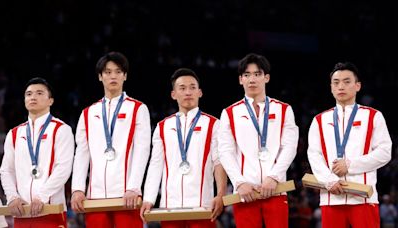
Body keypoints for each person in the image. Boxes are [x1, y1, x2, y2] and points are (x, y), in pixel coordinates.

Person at [70, 51, 151, 227]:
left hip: (127, 195)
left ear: (125, 76)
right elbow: (82, 153)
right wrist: (77, 189)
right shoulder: (88, 113)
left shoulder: (138, 108)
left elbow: (142, 150)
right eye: (107, 72)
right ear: (100, 77)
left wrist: (134, 187)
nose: (113, 76)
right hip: (95, 196)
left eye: (118, 71)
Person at [218, 53, 299, 228]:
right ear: (240, 80)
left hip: (276, 189)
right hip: (245, 192)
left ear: (266, 77)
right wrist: (239, 182)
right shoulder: (230, 113)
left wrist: (273, 177)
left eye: (257, 74)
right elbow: (225, 152)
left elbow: (289, 147)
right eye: (247, 75)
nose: (252, 79)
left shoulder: (284, 110)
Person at [307, 61, 392, 228]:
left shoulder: (373, 116)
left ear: (357, 86)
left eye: (347, 82)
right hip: (331, 198)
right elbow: (314, 154)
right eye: (336, 82)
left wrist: (350, 165)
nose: (341, 87)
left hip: (364, 198)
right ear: (331, 87)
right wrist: (328, 180)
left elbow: (385, 152)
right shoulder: (319, 120)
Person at [140, 68, 227, 227]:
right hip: (170, 208)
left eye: (193, 87)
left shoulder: (214, 125)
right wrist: (149, 198)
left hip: (203, 206)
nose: (188, 92)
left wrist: (221, 194)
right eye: (182, 88)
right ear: (173, 94)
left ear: (200, 92)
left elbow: (218, 162)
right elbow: (156, 165)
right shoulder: (162, 127)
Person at [0, 77, 74, 227]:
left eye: (39, 93)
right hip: (22, 212)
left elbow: (63, 168)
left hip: (50, 210)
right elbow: (6, 170)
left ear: (50, 100)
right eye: (29, 94)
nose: (33, 97)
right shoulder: (14, 134)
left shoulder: (61, 129)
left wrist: (41, 197)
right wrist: (12, 197)